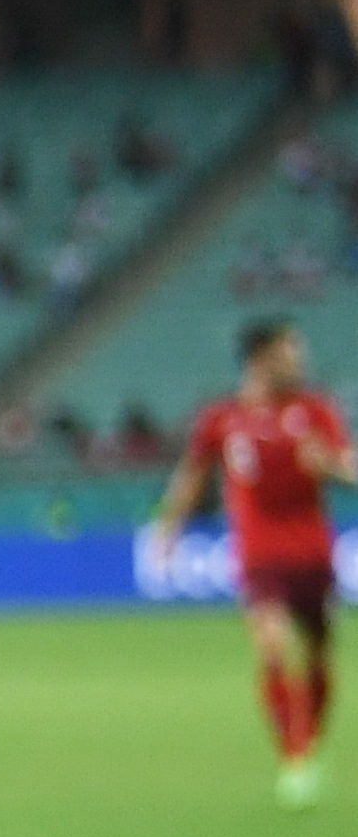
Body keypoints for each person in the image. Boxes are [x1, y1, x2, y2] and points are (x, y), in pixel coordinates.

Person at [146, 315, 351, 807]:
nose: (298, 360)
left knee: (319, 652)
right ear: (260, 359)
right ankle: (294, 759)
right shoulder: (220, 418)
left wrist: (330, 466)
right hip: (259, 551)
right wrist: (166, 529)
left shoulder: (314, 409)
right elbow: (192, 474)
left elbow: (347, 464)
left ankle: (308, 740)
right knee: (271, 645)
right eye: (289, 351)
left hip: (311, 550)